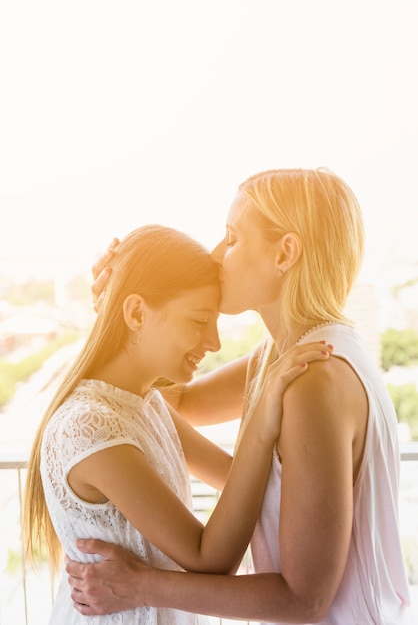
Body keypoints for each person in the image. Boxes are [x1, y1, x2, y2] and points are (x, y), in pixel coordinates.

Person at [66, 168, 415, 625]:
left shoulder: (314, 380)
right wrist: (123, 306)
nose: (214, 256)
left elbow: (304, 601)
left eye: (231, 238)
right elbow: (182, 401)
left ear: (285, 253)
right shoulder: (281, 356)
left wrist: (139, 585)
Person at [22, 223, 331, 625]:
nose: (215, 342)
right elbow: (210, 559)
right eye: (200, 319)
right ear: (135, 312)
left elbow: (244, 484)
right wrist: (261, 418)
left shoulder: (146, 404)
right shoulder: (91, 427)